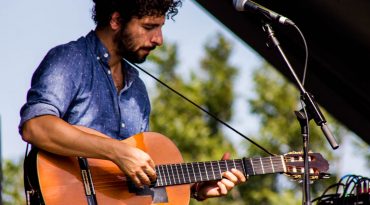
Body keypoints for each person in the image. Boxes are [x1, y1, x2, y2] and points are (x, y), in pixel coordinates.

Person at [19, 0, 246, 203]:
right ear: (116, 20)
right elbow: (35, 126)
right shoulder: (70, 59)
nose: (159, 39)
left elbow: (134, 185)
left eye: (160, 27)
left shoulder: (137, 88)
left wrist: (195, 187)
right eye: (149, 27)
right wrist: (117, 152)